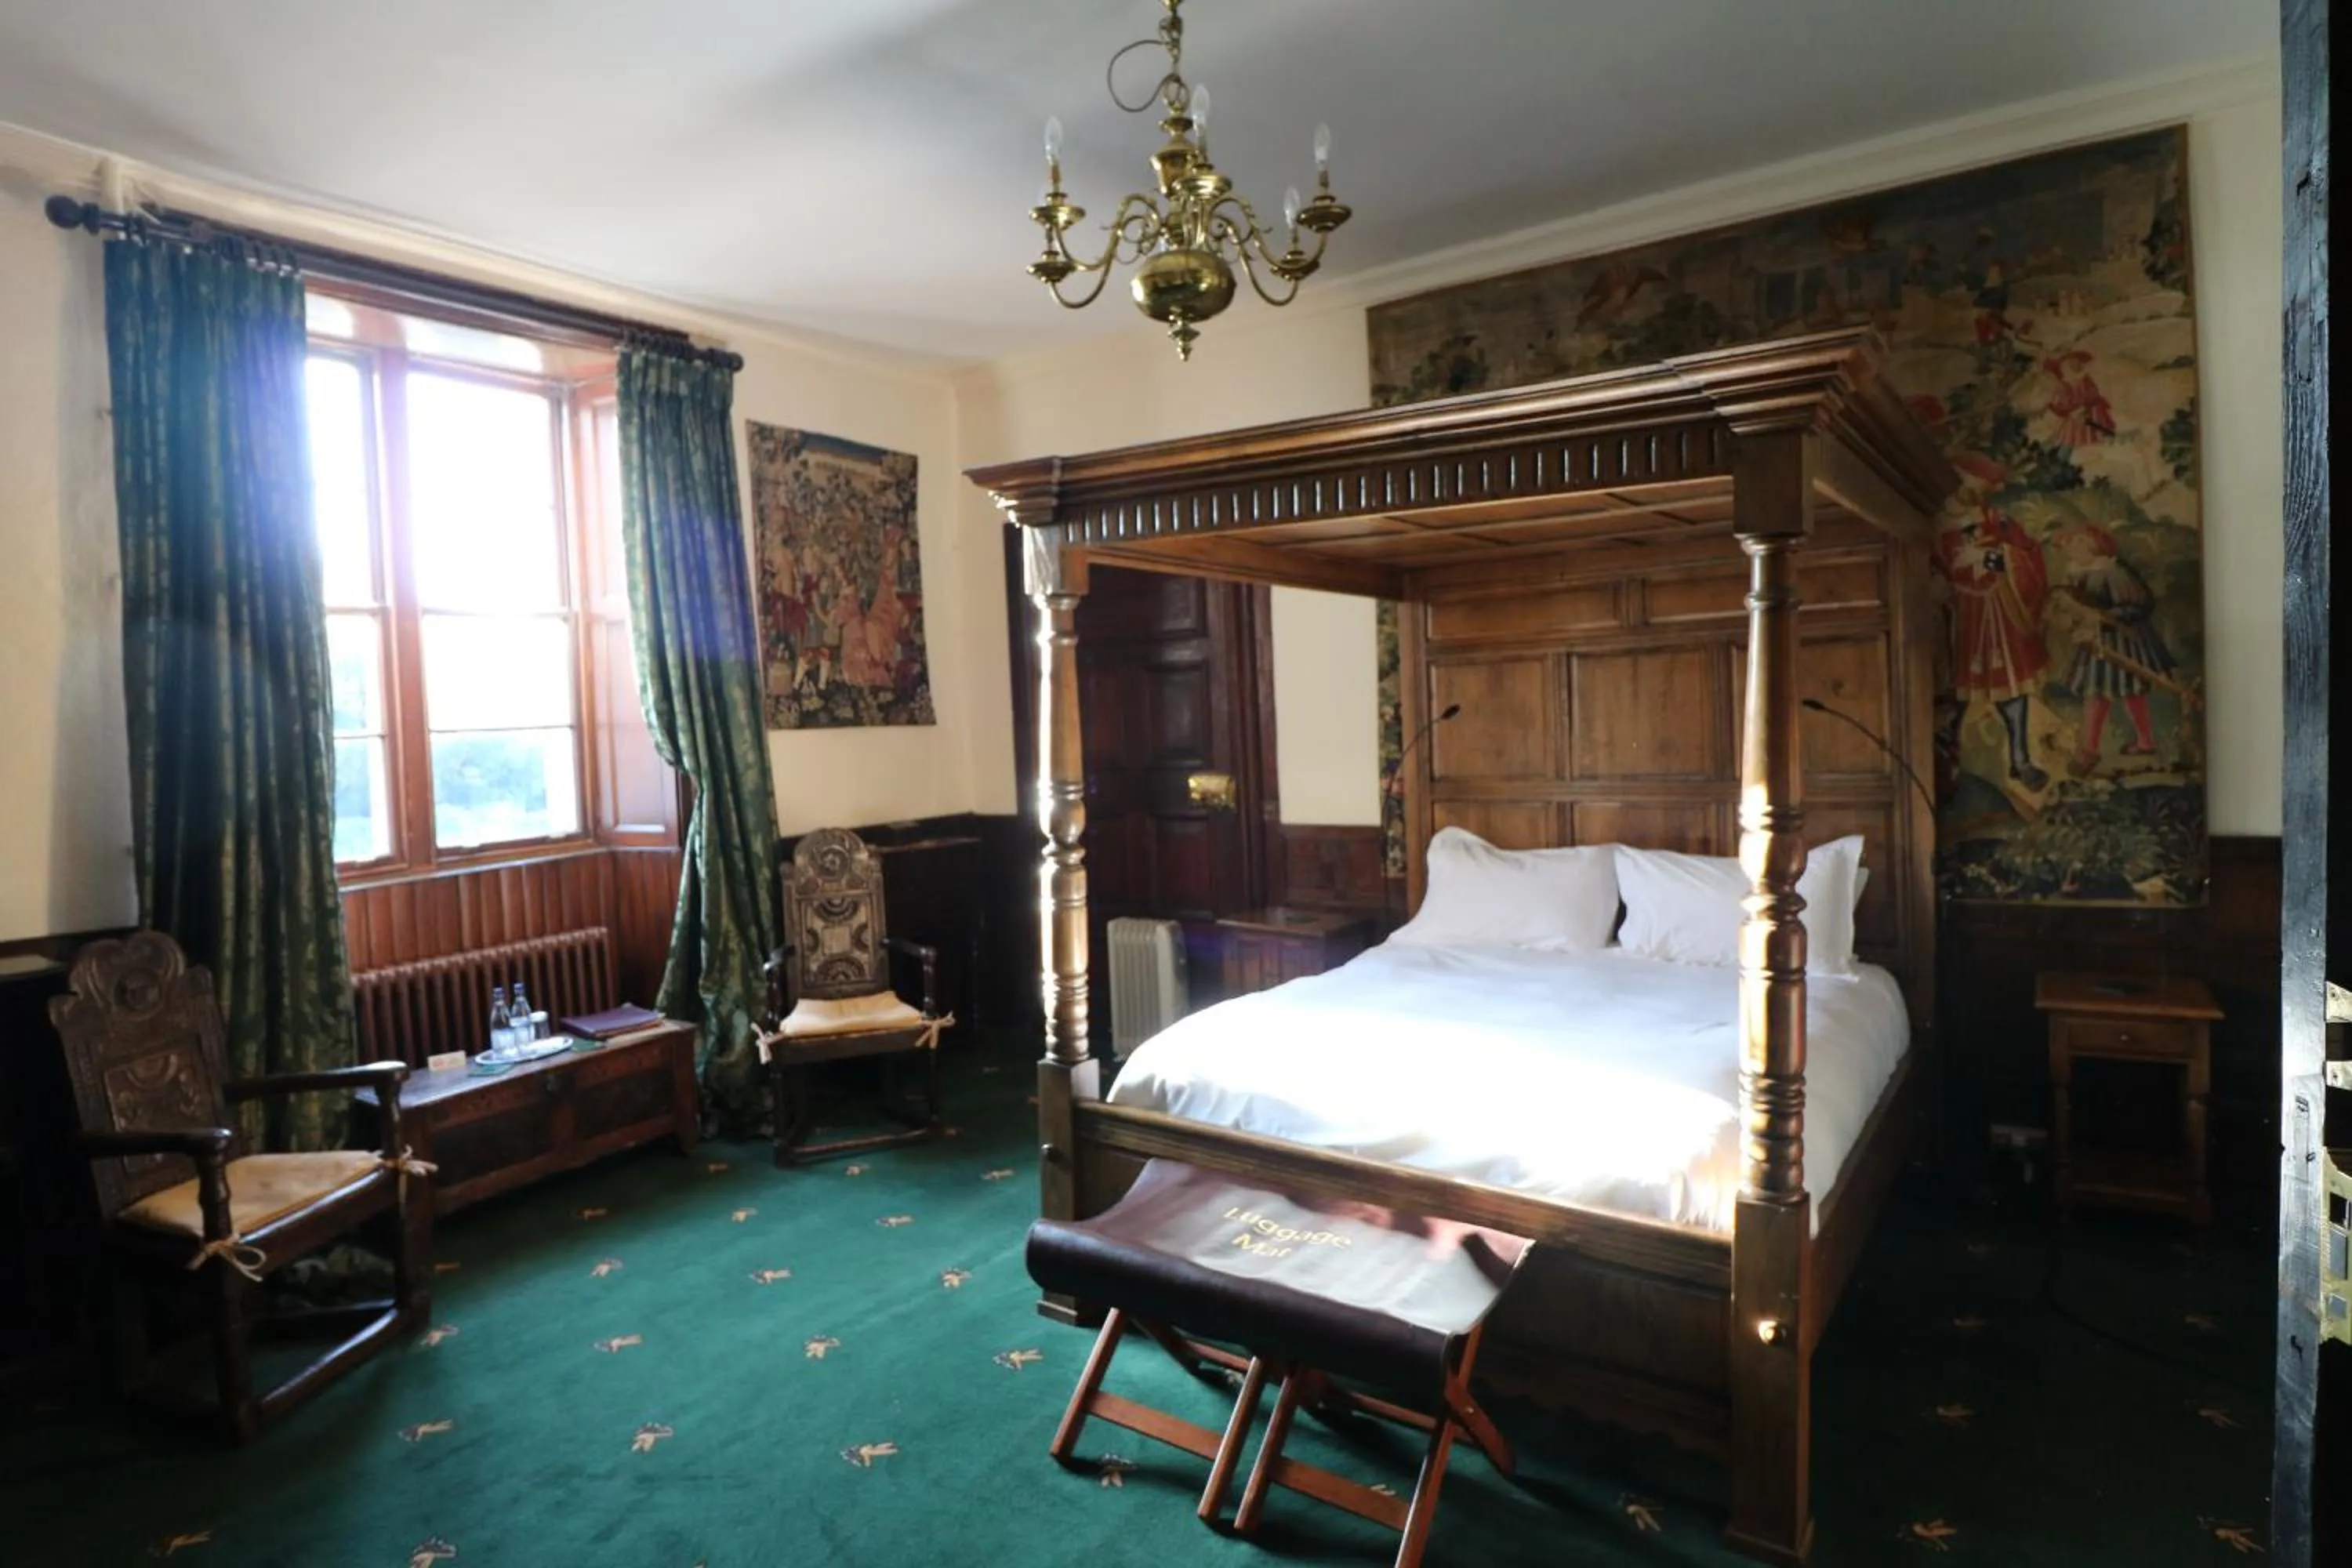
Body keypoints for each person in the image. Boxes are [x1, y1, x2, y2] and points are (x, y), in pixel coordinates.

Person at [1938, 456, 2051, 789]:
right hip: (1961, 617)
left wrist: (2004, 559)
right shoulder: (1937, 523)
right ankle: (1947, 761)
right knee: (1955, 693)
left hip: (2000, 610)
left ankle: (2020, 761)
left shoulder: (1997, 521)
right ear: (1963, 475)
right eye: (1982, 483)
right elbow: (1931, 567)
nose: (1988, 491)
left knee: (2013, 688)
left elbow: (2029, 553)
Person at [2056, 525, 2175, 774]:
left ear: (2093, 545)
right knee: (2096, 692)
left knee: (2128, 690)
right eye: (2070, 544)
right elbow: (2076, 607)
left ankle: (2141, 742)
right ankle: (2091, 750)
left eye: (2078, 543)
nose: (2071, 548)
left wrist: (2104, 618)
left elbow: (2140, 605)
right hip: (2094, 640)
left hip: (2122, 640)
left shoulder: (2112, 571)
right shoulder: (2075, 573)